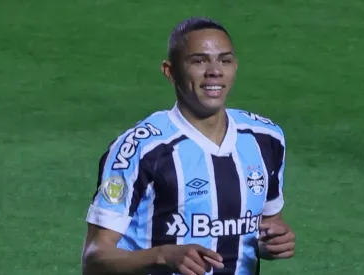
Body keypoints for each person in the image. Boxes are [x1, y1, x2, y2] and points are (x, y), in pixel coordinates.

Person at [81, 17, 295, 275]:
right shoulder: (141, 149)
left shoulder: (266, 138)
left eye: (224, 60)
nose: (214, 71)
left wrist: (271, 244)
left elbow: (267, 225)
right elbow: (94, 259)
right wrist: (162, 255)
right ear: (170, 71)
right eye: (199, 61)